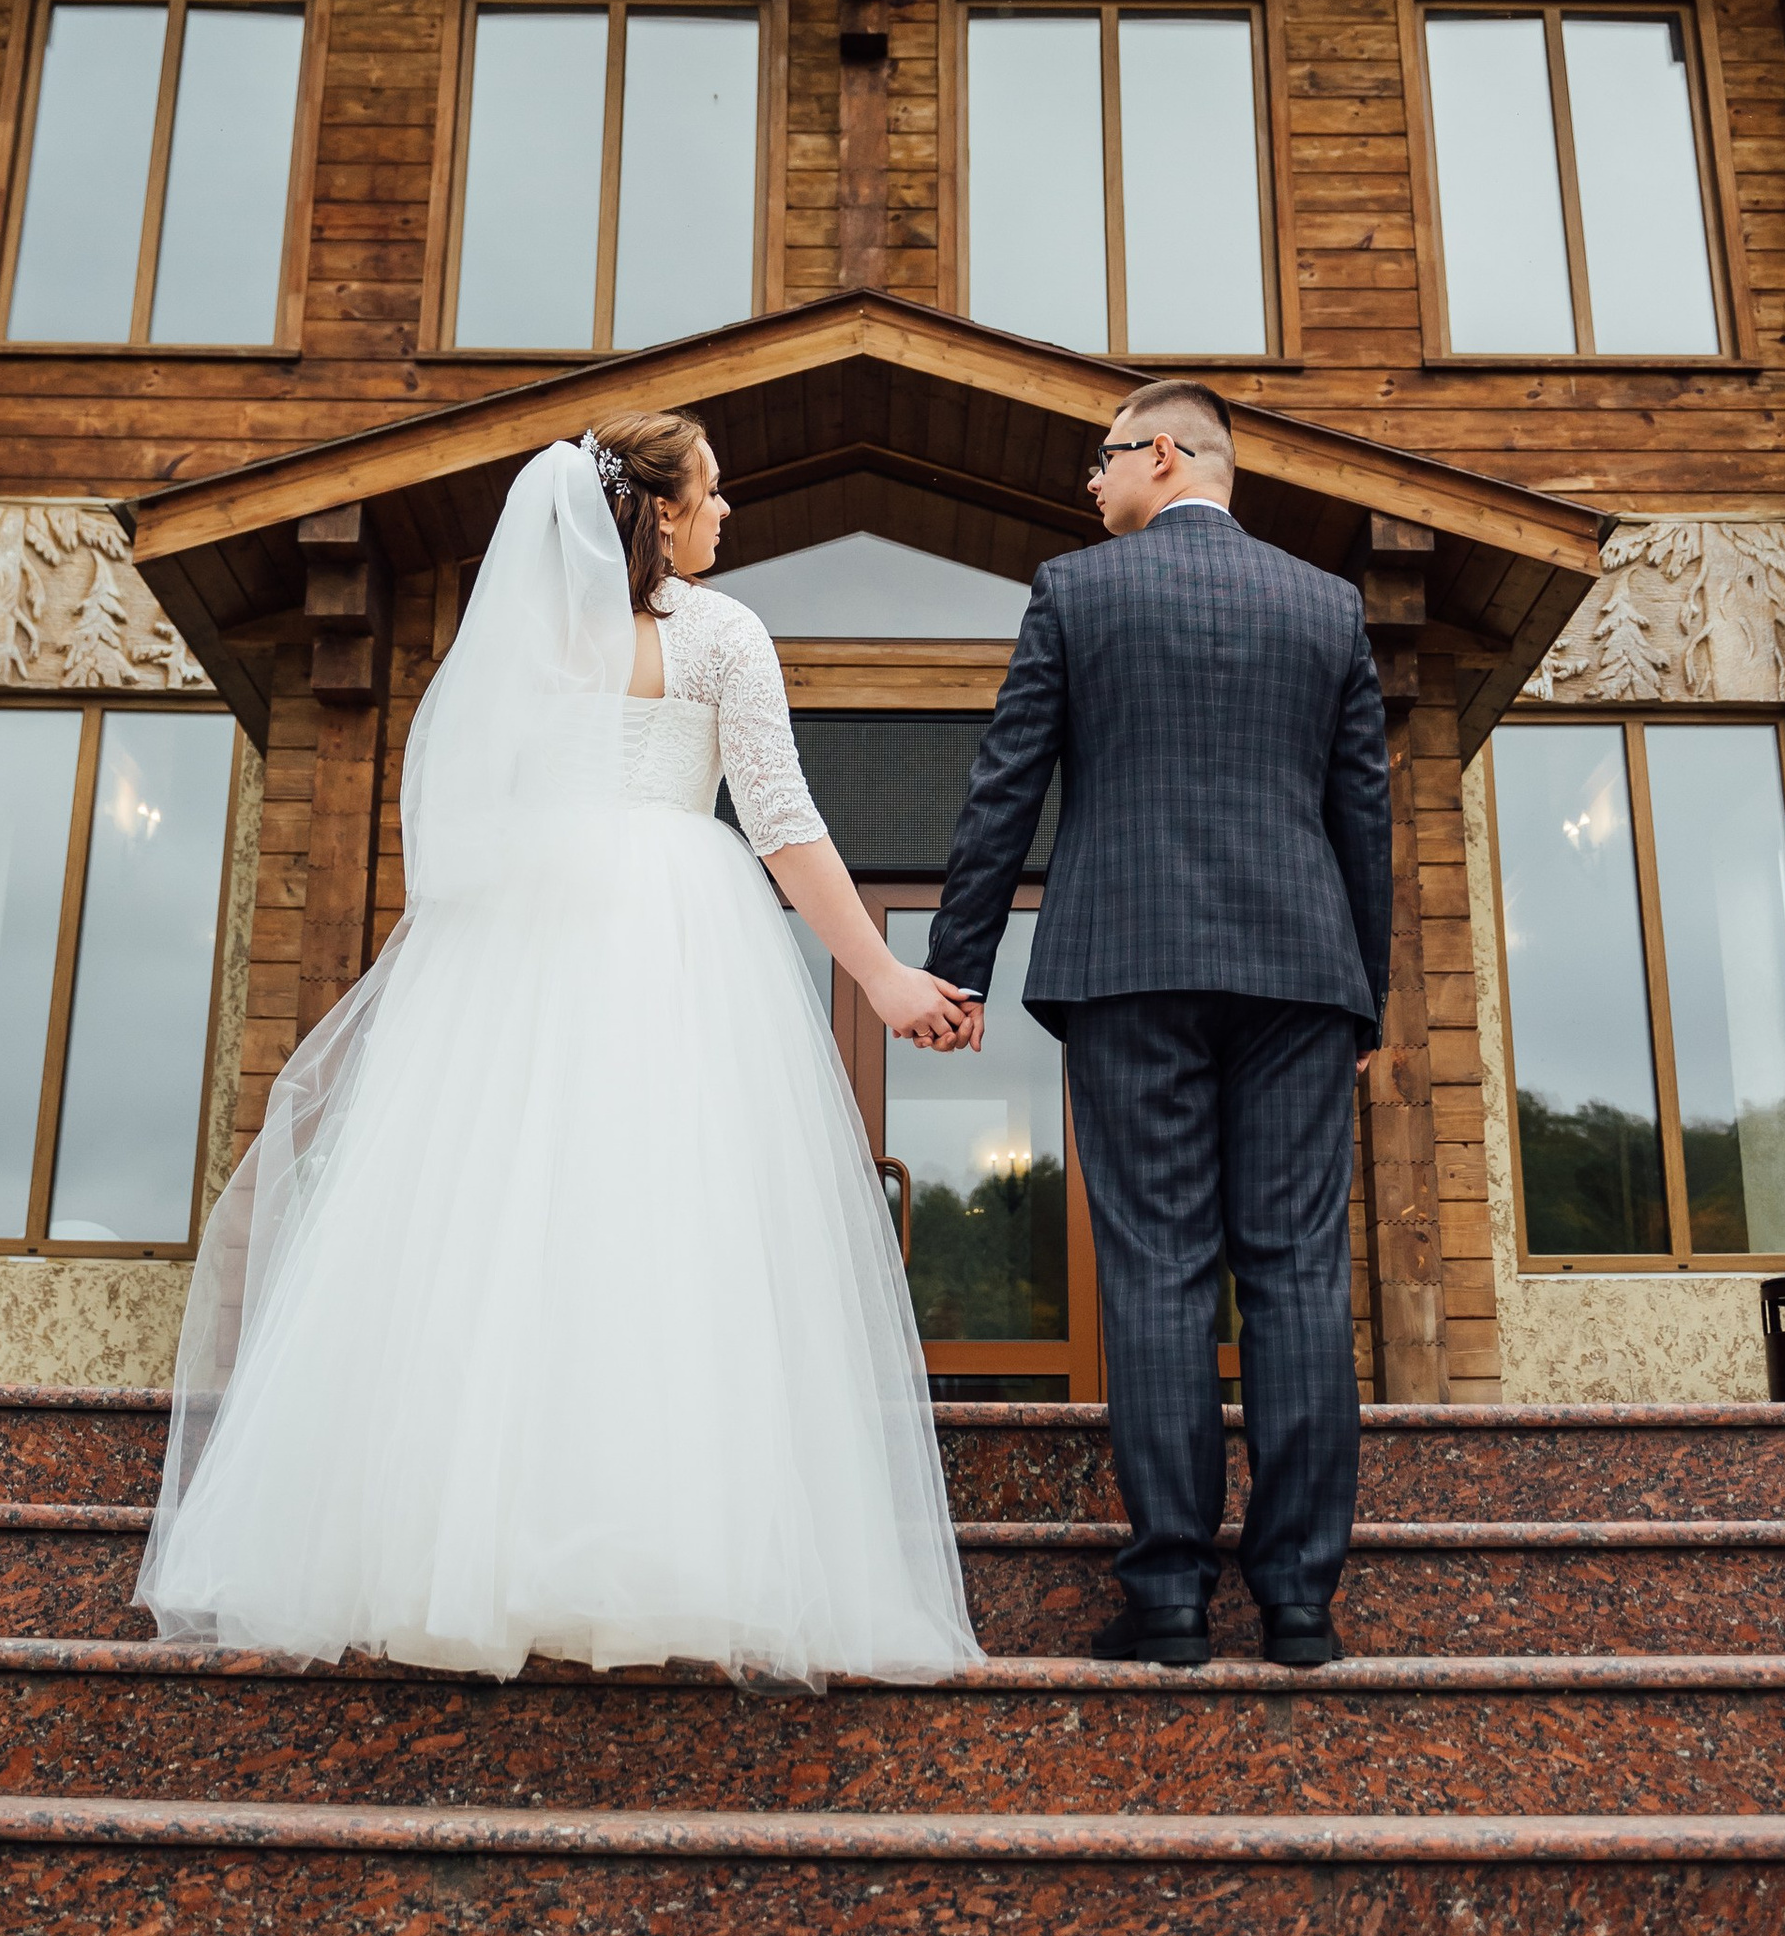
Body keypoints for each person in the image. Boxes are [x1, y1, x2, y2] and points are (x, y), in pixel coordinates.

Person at [136, 411, 982, 1685]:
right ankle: (654, 1546)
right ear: (660, 511)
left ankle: (460, 1550)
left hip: (520, 943)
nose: (726, 513)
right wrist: (881, 975)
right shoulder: (722, 635)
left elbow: (464, 809)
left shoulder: (521, 641)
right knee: (666, 1230)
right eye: (712, 493)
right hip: (675, 938)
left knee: (501, 1232)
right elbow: (780, 821)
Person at [927, 378, 1391, 1670]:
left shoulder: (1075, 593)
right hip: (1302, 975)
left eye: (1105, 456)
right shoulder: (1328, 605)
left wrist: (959, 968)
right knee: (1298, 1271)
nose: (1091, 480)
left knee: (1158, 1269)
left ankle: (1174, 1598)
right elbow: (1363, 813)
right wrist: (1366, 992)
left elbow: (1006, 786)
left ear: (1169, 454)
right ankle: (1299, 1604)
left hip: (1129, 963)